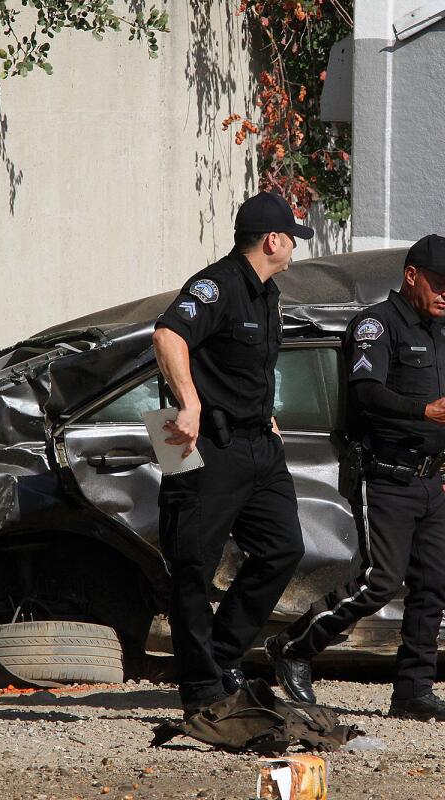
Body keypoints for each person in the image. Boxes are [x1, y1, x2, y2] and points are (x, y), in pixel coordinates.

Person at [265, 233, 445, 722]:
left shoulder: (434, 333)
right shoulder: (376, 327)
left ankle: (413, 692)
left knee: (433, 587)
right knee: (380, 582)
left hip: (427, 481)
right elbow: (366, 394)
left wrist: (443, 474)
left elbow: (439, 420)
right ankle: (293, 646)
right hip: (384, 476)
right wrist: (425, 410)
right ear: (411, 276)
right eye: (440, 283)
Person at [152, 191, 313, 716]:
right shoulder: (214, 284)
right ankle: (201, 688)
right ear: (273, 239)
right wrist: (190, 404)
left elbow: (247, 367)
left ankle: (220, 656)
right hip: (194, 438)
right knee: (192, 566)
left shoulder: (268, 294)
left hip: (255, 442)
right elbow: (168, 334)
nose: (294, 249)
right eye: (292, 239)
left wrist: (262, 409)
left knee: (283, 547)